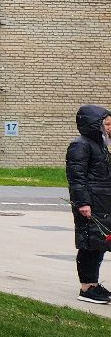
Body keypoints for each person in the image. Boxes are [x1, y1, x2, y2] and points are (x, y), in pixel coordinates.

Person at [65, 104, 111, 305]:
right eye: (107, 124)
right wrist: (83, 202)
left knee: (99, 244)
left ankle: (93, 284)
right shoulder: (80, 145)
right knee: (90, 244)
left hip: (103, 202)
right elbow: (77, 177)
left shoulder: (100, 145)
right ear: (94, 124)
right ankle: (87, 288)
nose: (109, 128)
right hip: (90, 204)